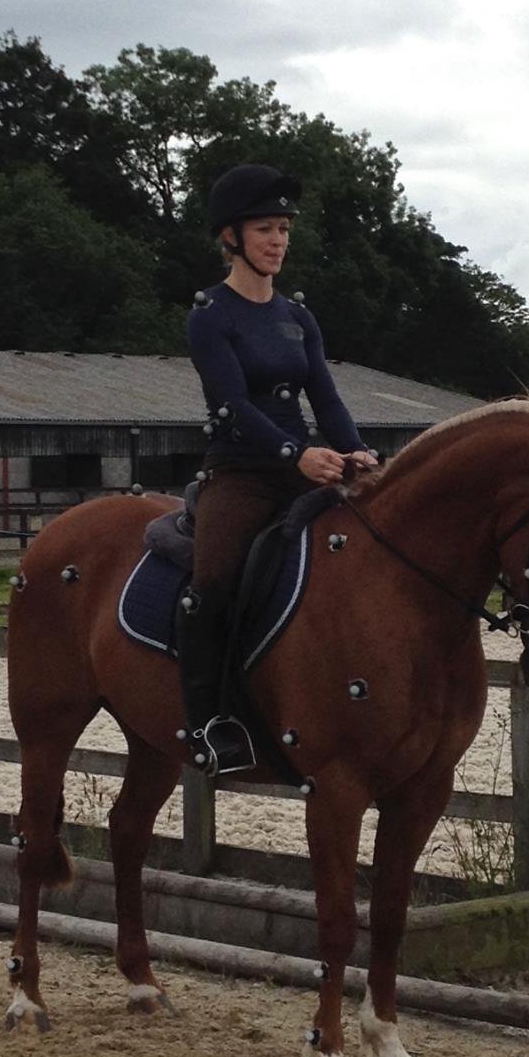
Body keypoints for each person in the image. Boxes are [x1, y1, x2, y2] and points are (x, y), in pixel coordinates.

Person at [182, 162, 377, 776]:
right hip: (240, 474)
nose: (278, 241)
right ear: (231, 237)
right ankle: (210, 723)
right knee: (211, 583)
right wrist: (295, 453)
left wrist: (356, 450)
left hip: (307, 468)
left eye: (284, 230)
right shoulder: (211, 313)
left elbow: (327, 398)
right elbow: (231, 405)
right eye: (265, 228)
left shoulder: (299, 317)